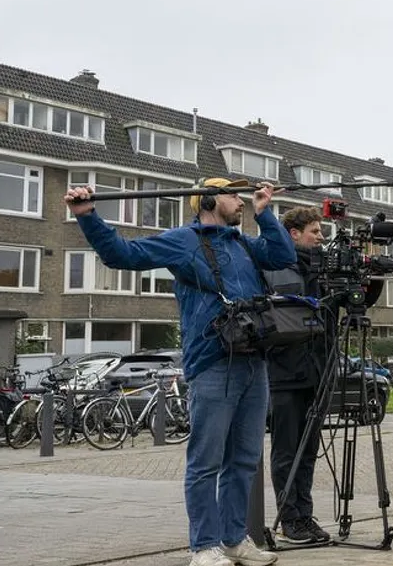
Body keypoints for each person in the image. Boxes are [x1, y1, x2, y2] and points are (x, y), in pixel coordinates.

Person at [65, 177, 295, 566]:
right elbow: (123, 254)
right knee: (206, 462)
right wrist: (87, 215)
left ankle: (235, 540)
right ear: (207, 200)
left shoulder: (241, 243)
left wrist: (265, 211)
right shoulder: (183, 240)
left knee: (244, 459)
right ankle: (203, 548)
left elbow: (283, 255)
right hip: (213, 362)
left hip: (254, 361)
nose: (239, 201)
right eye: (231, 195)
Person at [263, 207, 383, 545]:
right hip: (285, 373)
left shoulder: (327, 269)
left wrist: (369, 269)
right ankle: (289, 520)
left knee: (311, 448)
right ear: (294, 233)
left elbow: (360, 299)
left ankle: (304, 515)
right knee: (288, 450)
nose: (321, 237)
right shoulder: (275, 266)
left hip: (320, 370)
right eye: (315, 231)